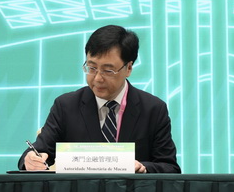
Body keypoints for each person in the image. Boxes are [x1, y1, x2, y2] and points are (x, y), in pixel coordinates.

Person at [18, 25, 181, 173]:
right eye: (92, 68)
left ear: (129, 68)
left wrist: (143, 168)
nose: (97, 78)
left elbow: (170, 167)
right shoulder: (66, 106)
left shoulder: (153, 109)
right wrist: (30, 159)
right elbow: (40, 151)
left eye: (108, 71)